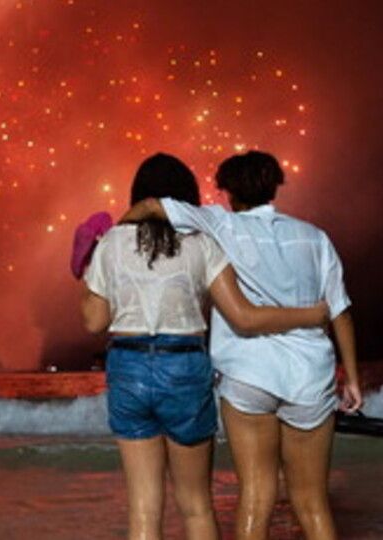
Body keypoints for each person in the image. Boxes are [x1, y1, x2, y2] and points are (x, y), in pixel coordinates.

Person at [80, 153, 329, 540]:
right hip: (182, 365)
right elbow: (243, 316)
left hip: (127, 365)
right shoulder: (201, 242)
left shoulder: (112, 242)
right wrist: (311, 315)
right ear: (184, 199)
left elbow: (94, 321)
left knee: (144, 511)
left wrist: (87, 264)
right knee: (196, 506)